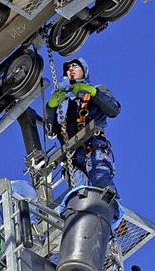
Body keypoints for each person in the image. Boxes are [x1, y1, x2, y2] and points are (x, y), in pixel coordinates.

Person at [44, 57, 120, 192]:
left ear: (84, 71)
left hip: (93, 145)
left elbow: (114, 110)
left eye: (75, 66)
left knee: (101, 182)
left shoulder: (96, 90)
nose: (71, 69)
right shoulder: (62, 101)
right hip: (72, 156)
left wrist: (93, 92)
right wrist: (50, 108)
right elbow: (49, 131)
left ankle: (108, 205)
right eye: (68, 68)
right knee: (79, 194)